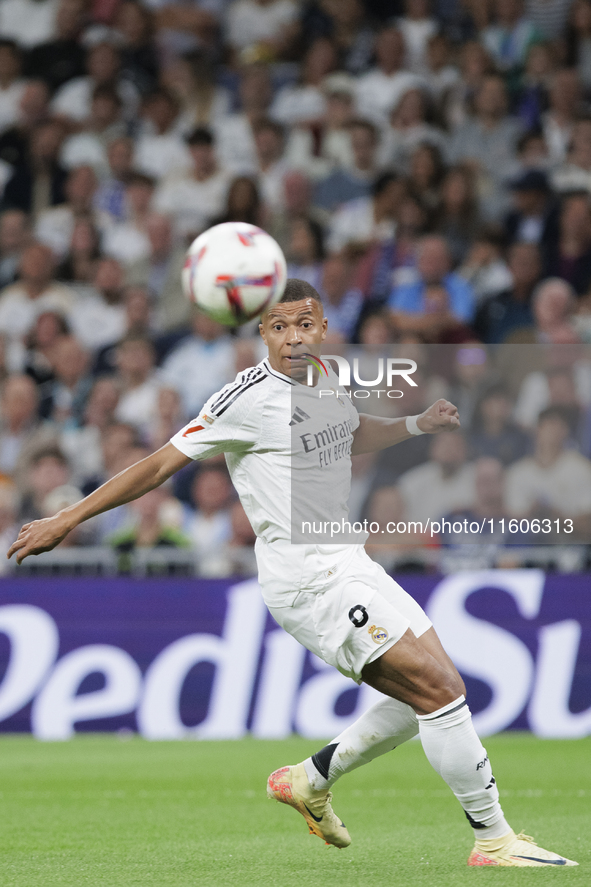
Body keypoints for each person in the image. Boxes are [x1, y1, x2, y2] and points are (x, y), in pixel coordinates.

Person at [6, 280, 577, 868]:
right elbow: (158, 465)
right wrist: (69, 517)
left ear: (323, 328)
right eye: (279, 327)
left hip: (350, 559)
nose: (294, 337)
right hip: (308, 580)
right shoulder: (244, 399)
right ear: (263, 334)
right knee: (440, 694)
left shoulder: (327, 375)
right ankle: (494, 840)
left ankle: (309, 779)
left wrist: (414, 425)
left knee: (432, 693)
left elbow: (349, 433)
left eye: (304, 324)